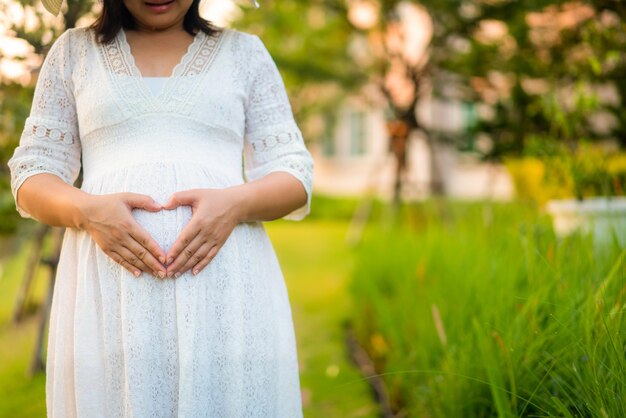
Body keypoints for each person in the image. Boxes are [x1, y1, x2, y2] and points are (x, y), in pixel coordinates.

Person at [6, 0, 314, 416]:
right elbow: (32, 173)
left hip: (227, 292)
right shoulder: (73, 53)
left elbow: (294, 173)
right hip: (109, 295)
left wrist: (235, 204)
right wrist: (86, 210)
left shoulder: (245, 53)